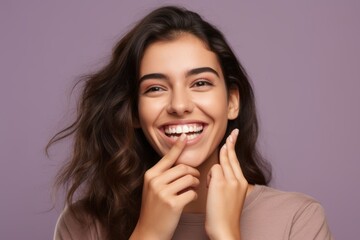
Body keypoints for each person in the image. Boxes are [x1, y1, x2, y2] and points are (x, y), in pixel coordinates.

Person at [48, 6, 333, 240]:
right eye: (155, 88)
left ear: (232, 101)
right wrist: (148, 233)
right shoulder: (84, 226)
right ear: (133, 112)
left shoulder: (298, 220)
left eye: (200, 83)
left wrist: (226, 234)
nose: (180, 106)